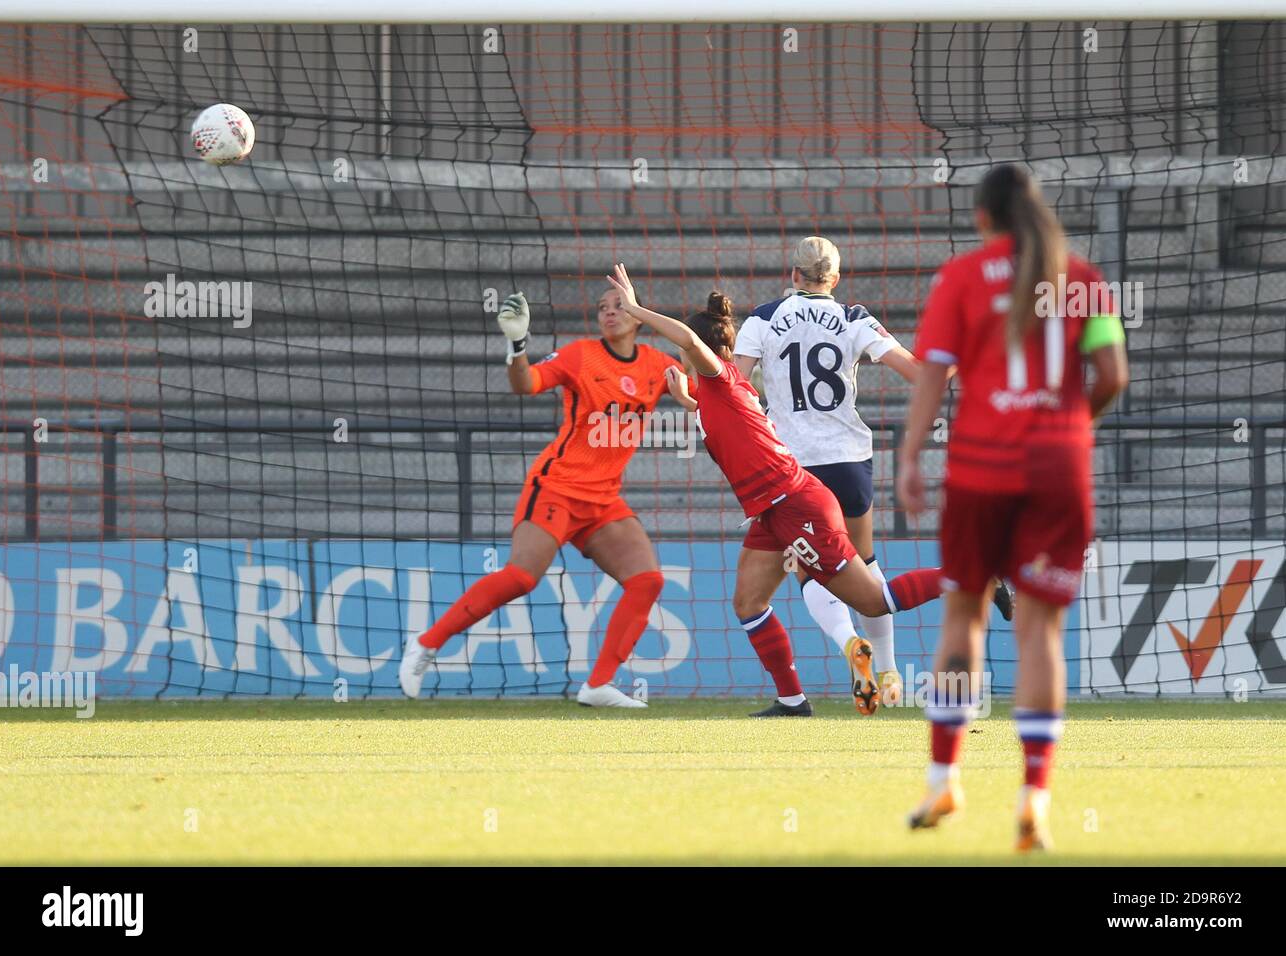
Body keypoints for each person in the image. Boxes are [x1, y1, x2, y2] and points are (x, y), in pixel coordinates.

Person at [897, 164, 1129, 851]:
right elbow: (1114, 375)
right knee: (1042, 634)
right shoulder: (1084, 278)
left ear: (982, 218)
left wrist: (910, 457)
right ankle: (1033, 800)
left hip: (980, 466)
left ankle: (943, 781)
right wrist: (1068, 429)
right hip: (1059, 469)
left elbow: (933, 375)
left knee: (963, 614)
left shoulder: (960, 278)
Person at [605, 263, 942, 718]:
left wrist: (637, 310)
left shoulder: (721, 376)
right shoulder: (720, 394)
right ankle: (792, 700)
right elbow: (730, 423)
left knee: (871, 599)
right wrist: (686, 400)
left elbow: (686, 341)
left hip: (795, 501)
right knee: (748, 601)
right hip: (773, 507)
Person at [734, 236, 1013, 715]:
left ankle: (846, 647)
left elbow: (735, 388)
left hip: (793, 469)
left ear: (794, 275)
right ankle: (887, 672)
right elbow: (923, 373)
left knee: (811, 571)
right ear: (835, 280)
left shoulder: (762, 318)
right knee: (863, 563)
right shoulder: (852, 318)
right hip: (848, 461)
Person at [399, 288, 681, 707]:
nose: (609, 313)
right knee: (521, 577)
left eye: (618, 306)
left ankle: (598, 685)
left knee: (647, 580)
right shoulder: (581, 355)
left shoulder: (658, 365)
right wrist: (517, 346)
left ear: (639, 316)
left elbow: (702, 383)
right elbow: (526, 384)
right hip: (557, 488)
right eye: (601, 308)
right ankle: (426, 643)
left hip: (604, 500)